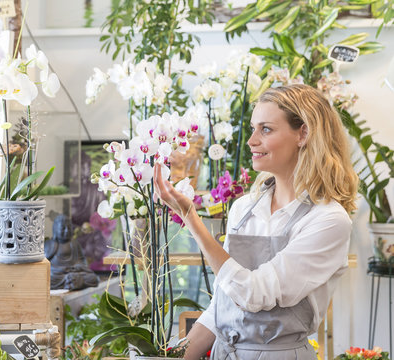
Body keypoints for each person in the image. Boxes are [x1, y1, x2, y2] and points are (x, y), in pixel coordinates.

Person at [153, 84, 358, 360]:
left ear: (303, 133)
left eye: (266, 129)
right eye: (253, 128)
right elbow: (222, 309)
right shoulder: (244, 208)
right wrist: (172, 357)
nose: (251, 140)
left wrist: (191, 218)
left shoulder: (328, 220)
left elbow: (253, 293)